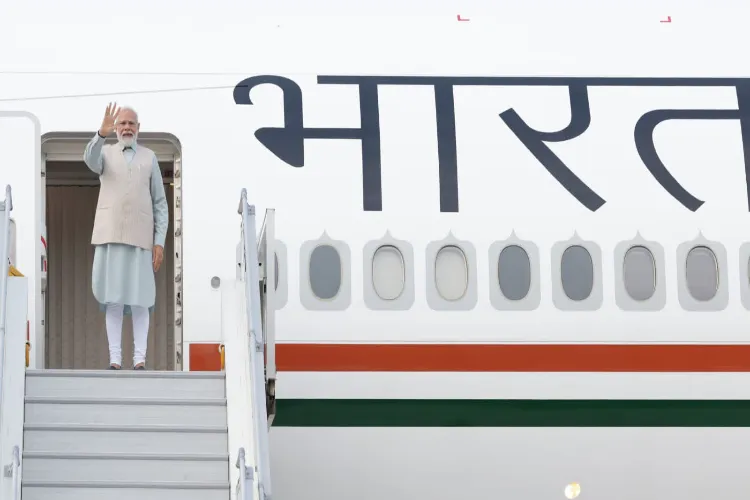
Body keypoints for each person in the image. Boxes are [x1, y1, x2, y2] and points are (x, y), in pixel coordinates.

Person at [83, 103, 169, 370]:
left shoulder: (149, 157)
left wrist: (159, 240)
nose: (127, 128)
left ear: (138, 128)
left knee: (141, 298)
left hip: (141, 238)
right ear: (116, 127)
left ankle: (140, 358)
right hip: (110, 234)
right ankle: (115, 358)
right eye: (122, 124)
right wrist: (101, 132)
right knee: (114, 297)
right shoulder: (105, 153)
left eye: (131, 123)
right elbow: (89, 160)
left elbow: (160, 203)